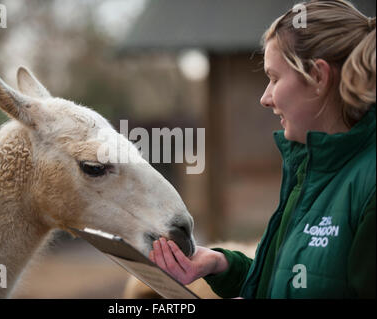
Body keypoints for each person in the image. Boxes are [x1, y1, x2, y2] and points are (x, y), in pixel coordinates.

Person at [149, 0, 376, 299]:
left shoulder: (368, 186)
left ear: (318, 77)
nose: (265, 98)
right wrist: (221, 265)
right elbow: (292, 282)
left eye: (274, 78)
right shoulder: (308, 172)